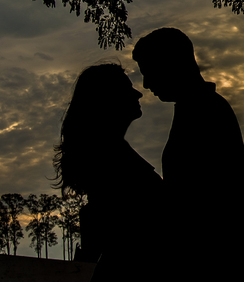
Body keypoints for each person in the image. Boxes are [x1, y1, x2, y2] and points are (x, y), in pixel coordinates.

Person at [133, 28, 244, 282]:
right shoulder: (198, 109)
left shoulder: (204, 113)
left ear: (171, 64)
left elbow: (196, 201)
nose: (146, 84)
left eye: (149, 72)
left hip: (216, 264)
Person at [53, 63, 169, 280]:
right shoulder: (111, 162)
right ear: (108, 100)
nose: (138, 92)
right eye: (127, 88)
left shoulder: (110, 157)